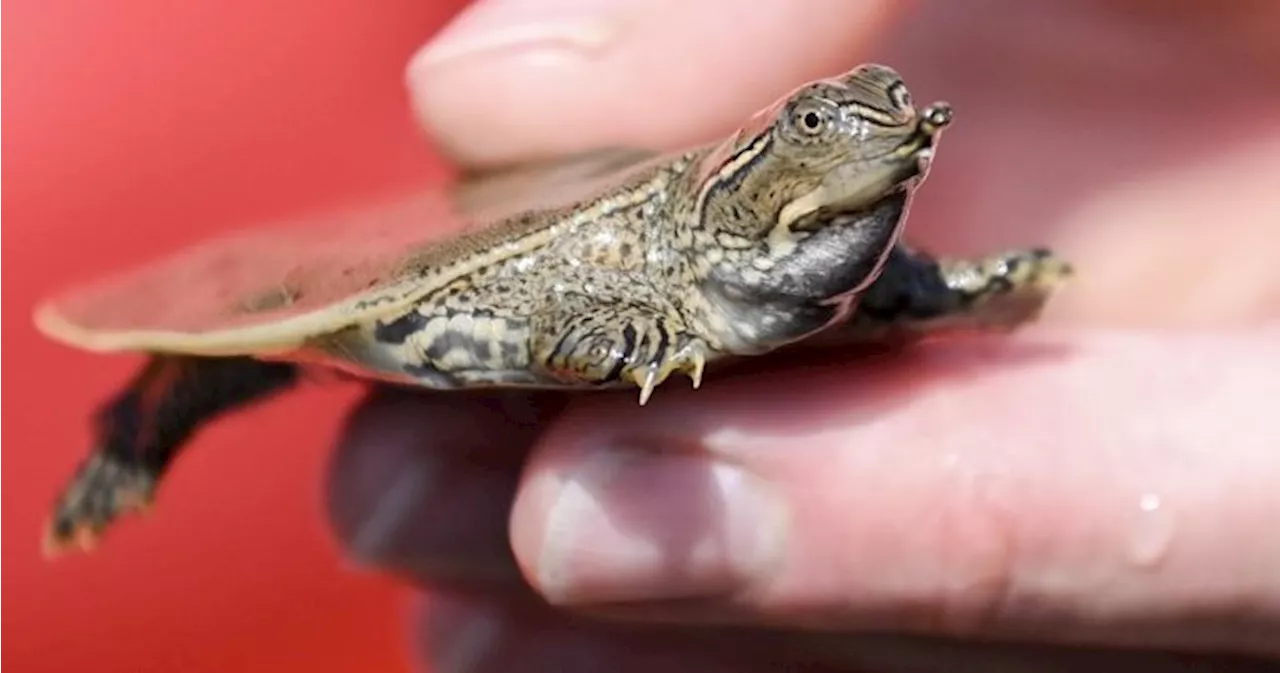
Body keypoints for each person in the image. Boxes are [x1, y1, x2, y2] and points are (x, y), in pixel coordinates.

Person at [324, 1, 1280, 670]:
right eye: (819, 123)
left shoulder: (872, 273)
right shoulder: (648, 260)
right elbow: (565, 327)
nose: (871, 130)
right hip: (443, 265)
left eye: (882, 114)